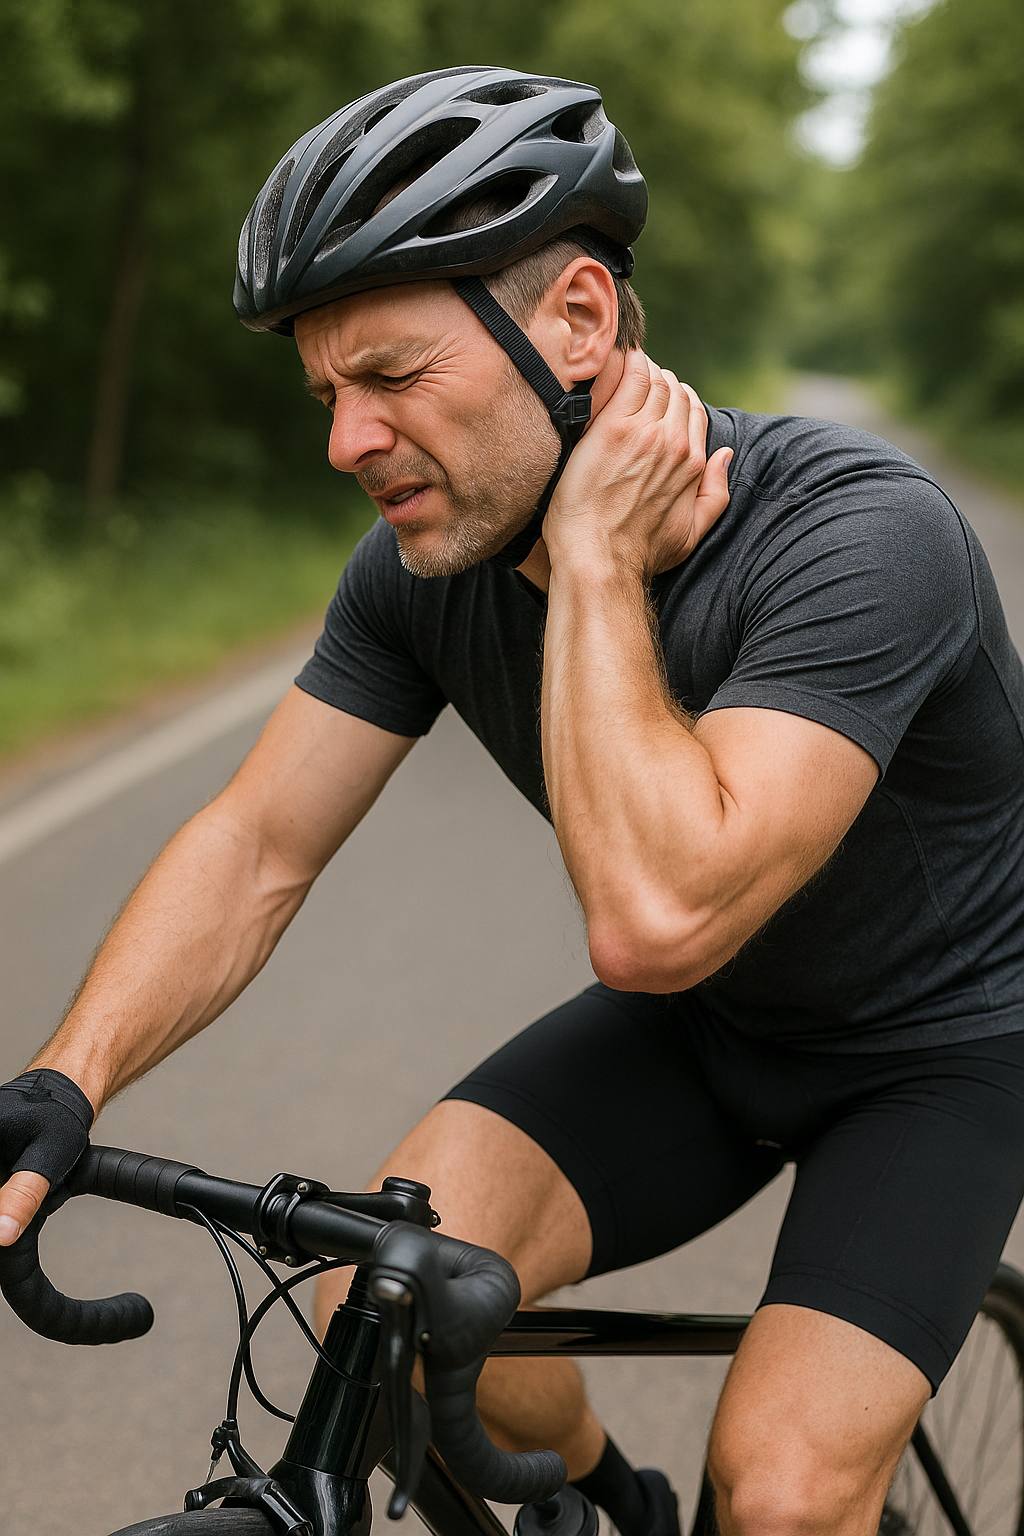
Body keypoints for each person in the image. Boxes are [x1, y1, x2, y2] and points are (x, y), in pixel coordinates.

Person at [3, 64, 1024, 1536]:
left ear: (581, 325)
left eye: (393, 379)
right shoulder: (421, 571)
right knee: (384, 1298)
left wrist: (599, 564)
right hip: (718, 1033)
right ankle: (606, 1502)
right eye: (327, 395)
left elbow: (659, 921)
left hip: (940, 1053)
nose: (347, 442)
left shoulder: (864, 537)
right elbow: (259, 843)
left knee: (791, 1493)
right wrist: (67, 1077)